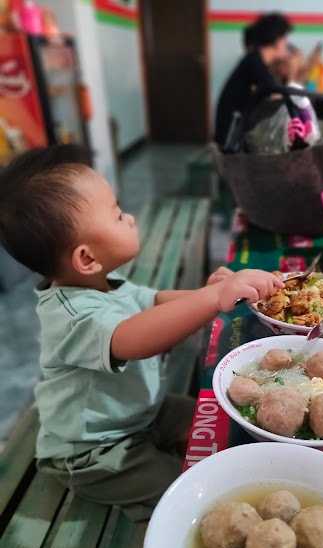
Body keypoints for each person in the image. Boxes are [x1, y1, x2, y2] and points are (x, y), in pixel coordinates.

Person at [0, 145, 282, 522]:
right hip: (94, 450)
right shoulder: (72, 316)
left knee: (222, 417)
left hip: (143, 412)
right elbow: (134, 339)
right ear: (86, 258)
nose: (130, 218)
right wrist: (212, 298)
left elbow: (156, 302)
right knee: (186, 493)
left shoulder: (105, 283)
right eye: (117, 215)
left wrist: (209, 295)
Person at [214, 13, 292, 146]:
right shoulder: (254, 62)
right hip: (230, 138)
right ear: (276, 40)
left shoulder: (255, 60)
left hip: (234, 130)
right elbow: (275, 94)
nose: (287, 43)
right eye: (285, 38)